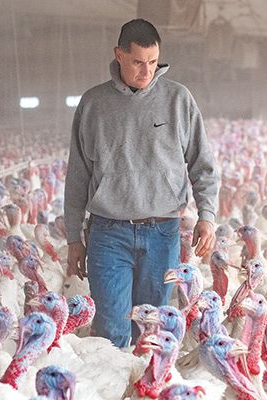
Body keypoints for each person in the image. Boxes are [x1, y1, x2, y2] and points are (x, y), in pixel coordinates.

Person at [64, 19, 219, 348]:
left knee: (153, 329)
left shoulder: (178, 99)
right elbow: (77, 174)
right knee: (112, 327)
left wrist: (207, 215)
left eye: (153, 62)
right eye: (137, 62)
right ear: (118, 55)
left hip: (162, 232)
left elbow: (202, 163)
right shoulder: (93, 104)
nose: (147, 71)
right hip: (108, 231)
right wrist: (73, 237)